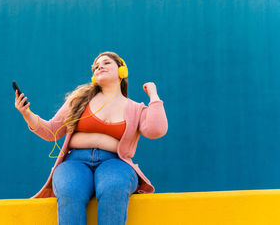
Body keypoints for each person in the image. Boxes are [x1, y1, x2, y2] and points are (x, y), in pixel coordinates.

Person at [15, 51, 168, 225]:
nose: (99, 67)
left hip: (116, 162)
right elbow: (51, 132)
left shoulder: (136, 109)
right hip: (75, 162)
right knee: (70, 190)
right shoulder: (79, 100)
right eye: (96, 66)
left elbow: (157, 130)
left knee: (113, 188)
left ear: (122, 71)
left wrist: (154, 95)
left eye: (106, 63)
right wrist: (27, 113)